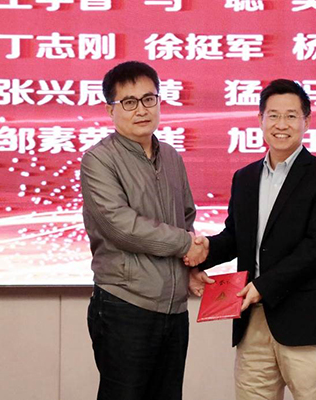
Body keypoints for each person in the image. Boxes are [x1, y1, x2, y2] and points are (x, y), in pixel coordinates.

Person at [189, 79, 316, 400]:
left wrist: (263, 286)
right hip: (253, 323)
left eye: (291, 116)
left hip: (305, 325)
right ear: (260, 120)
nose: (281, 125)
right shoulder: (245, 178)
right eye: (273, 116)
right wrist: (204, 251)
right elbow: (236, 237)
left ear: (307, 121)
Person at [81, 61, 208, 400]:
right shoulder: (99, 160)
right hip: (125, 305)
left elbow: (185, 216)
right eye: (129, 102)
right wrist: (186, 245)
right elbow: (121, 226)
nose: (141, 110)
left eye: (149, 99)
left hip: (173, 309)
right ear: (110, 110)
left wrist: (191, 267)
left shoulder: (171, 156)